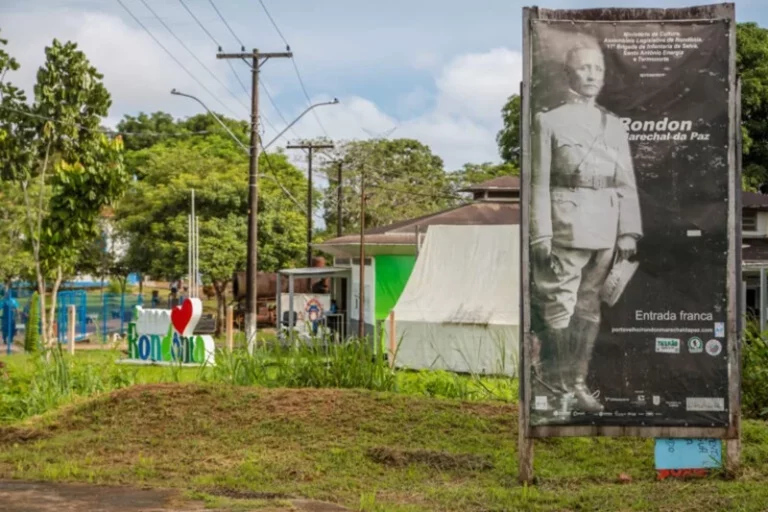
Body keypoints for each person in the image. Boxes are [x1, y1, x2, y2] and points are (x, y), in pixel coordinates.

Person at [530, 41, 642, 416]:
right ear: (568, 73)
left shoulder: (613, 125)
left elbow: (625, 182)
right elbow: (539, 183)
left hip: (606, 226)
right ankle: (558, 388)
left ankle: (576, 384)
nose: (592, 75)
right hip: (566, 225)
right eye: (584, 68)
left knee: (590, 305)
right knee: (560, 306)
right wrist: (542, 232)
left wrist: (628, 231)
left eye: (598, 69)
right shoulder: (549, 121)